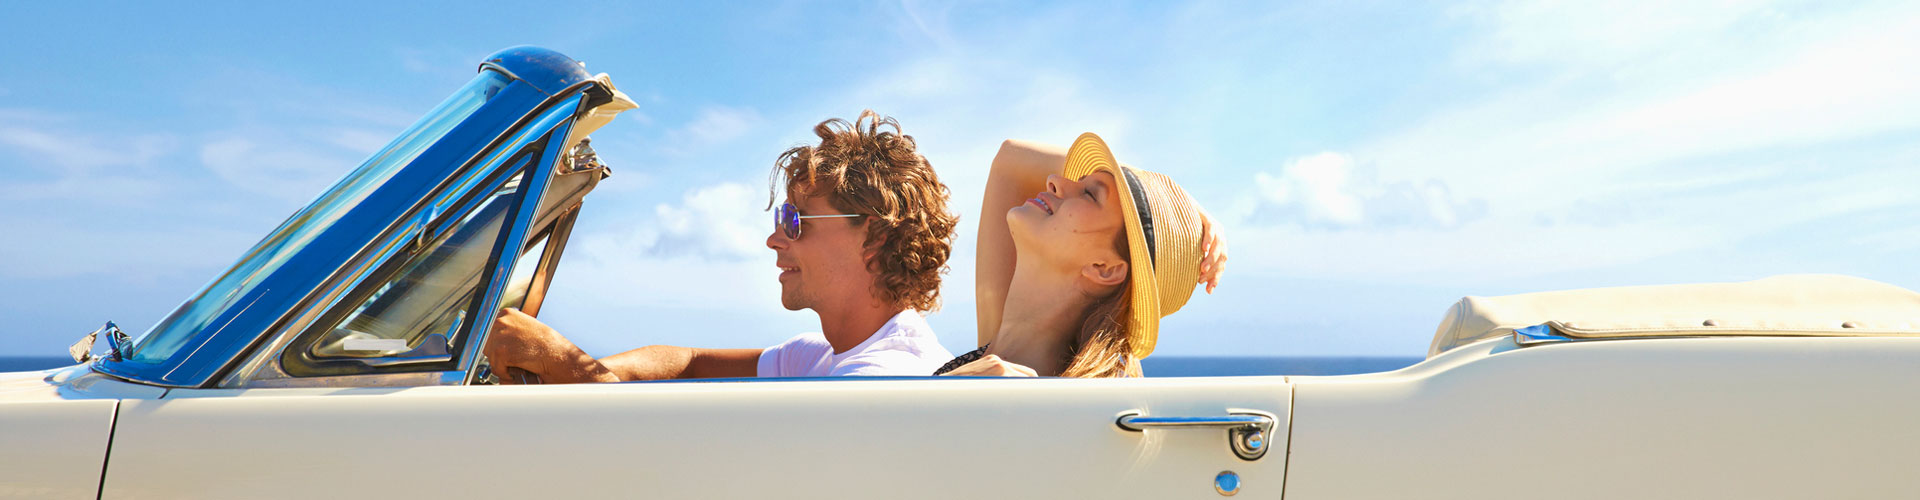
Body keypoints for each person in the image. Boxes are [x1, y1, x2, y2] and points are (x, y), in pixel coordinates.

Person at [484, 111, 959, 382]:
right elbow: (686, 361)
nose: (775, 239)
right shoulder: (819, 357)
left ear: (873, 237)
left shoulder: (883, 377)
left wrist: (565, 365)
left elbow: (670, 463)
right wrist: (567, 372)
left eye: (795, 221)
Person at [938, 133, 1226, 377]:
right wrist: (1178, 203)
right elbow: (1010, 159)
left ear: (1105, 267)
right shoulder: (999, 351)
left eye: (1090, 194)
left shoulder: (1056, 408)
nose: (1054, 180)